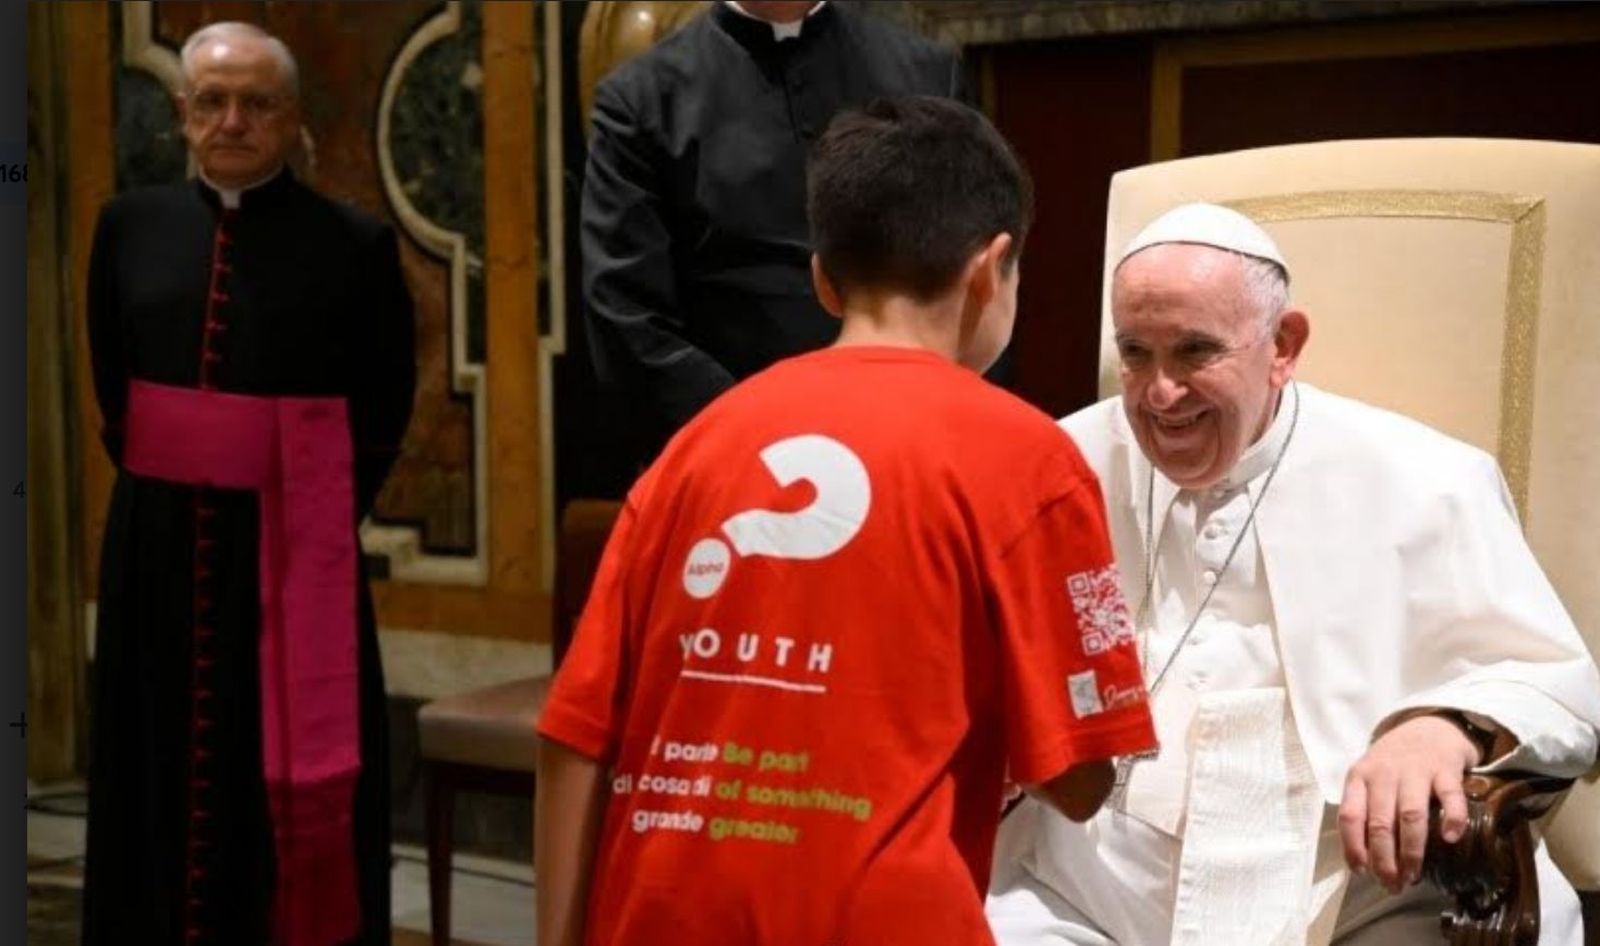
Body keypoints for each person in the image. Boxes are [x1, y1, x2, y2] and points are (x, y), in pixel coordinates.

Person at [535, 96, 1157, 946]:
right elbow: (1083, 779)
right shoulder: (1028, 456)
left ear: (823, 276)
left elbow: (576, 737)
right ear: (991, 267)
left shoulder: (699, 443)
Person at [985, 203, 1600, 945]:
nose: (1158, 394)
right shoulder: (1055, 463)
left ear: (1282, 344)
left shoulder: (1426, 480)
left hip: (1349, 886)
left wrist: (1443, 727)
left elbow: (1552, 678)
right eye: (1136, 352)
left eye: (1194, 352)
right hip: (1092, 884)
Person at [82, 22, 415, 946]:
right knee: (154, 761)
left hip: (289, 550)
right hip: (153, 545)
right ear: (183, 114)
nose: (234, 120)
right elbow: (114, 386)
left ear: (291, 117)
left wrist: (302, 499)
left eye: (257, 102)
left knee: (273, 773)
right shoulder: (126, 227)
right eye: (213, 101)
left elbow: (385, 404)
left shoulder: (353, 244)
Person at [582, 0, 967, 468]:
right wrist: (763, 438)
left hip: (911, 448)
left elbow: (973, 270)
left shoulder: (928, 76)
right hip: (732, 460)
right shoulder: (639, 102)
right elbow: (626, 315)